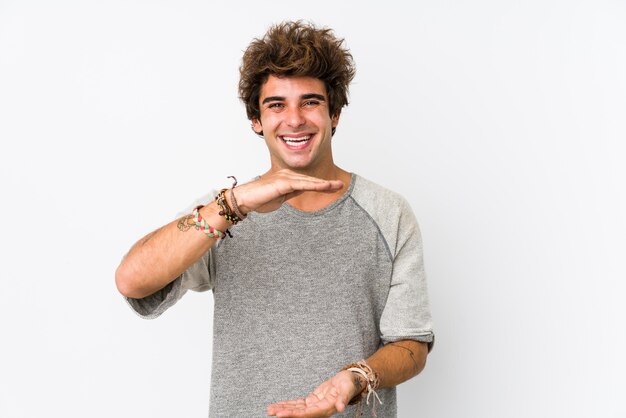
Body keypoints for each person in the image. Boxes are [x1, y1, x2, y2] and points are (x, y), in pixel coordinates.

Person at [115, 20, 434, 417]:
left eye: (311, 102)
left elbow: (412, 344)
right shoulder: (223, 213)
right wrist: (232, 204)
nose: (295, 119)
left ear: (335, 114)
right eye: (276, 104)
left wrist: (356, 377)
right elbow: (132, 280)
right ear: (256, 120)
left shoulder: (389, 213)